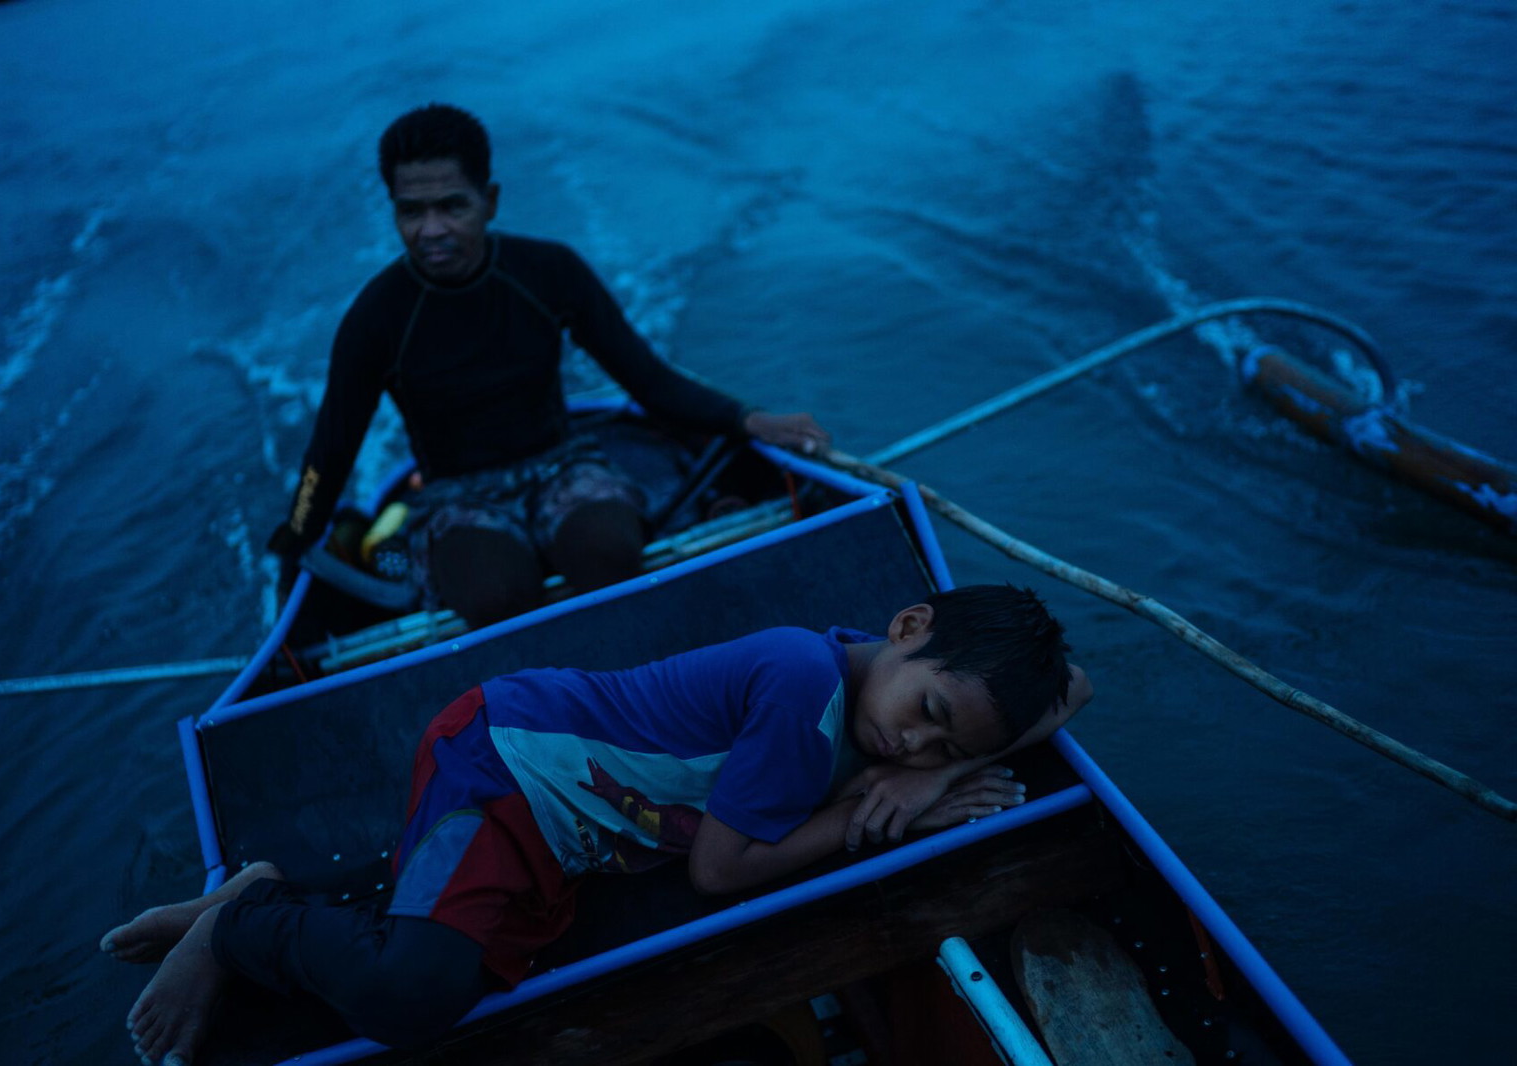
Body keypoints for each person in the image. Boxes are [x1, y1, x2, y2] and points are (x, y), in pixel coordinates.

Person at [104, 583, 1092, 1065]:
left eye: (939, 745)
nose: (910, 747)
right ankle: (244, 919)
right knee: (413, 993)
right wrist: (875, 824)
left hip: (565, 837)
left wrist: (943, 770)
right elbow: (719, 870)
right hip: (499, 764)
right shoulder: (802, 684)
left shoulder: (889, 711)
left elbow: (1073, 687)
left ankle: (257, 889)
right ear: (909, 625)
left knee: (447, 939)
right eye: (924, 714)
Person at [267, 103, 830, 625]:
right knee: (496, 597)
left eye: (452, 206)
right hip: (456, 496)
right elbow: (331, 451)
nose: (431, 229)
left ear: (490, 200)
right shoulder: (376, 318)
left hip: (564, 466)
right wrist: (296, 539)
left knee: (607, 554)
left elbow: (647, 379)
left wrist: (750, 419)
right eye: (411, 211)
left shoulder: (548, 272)